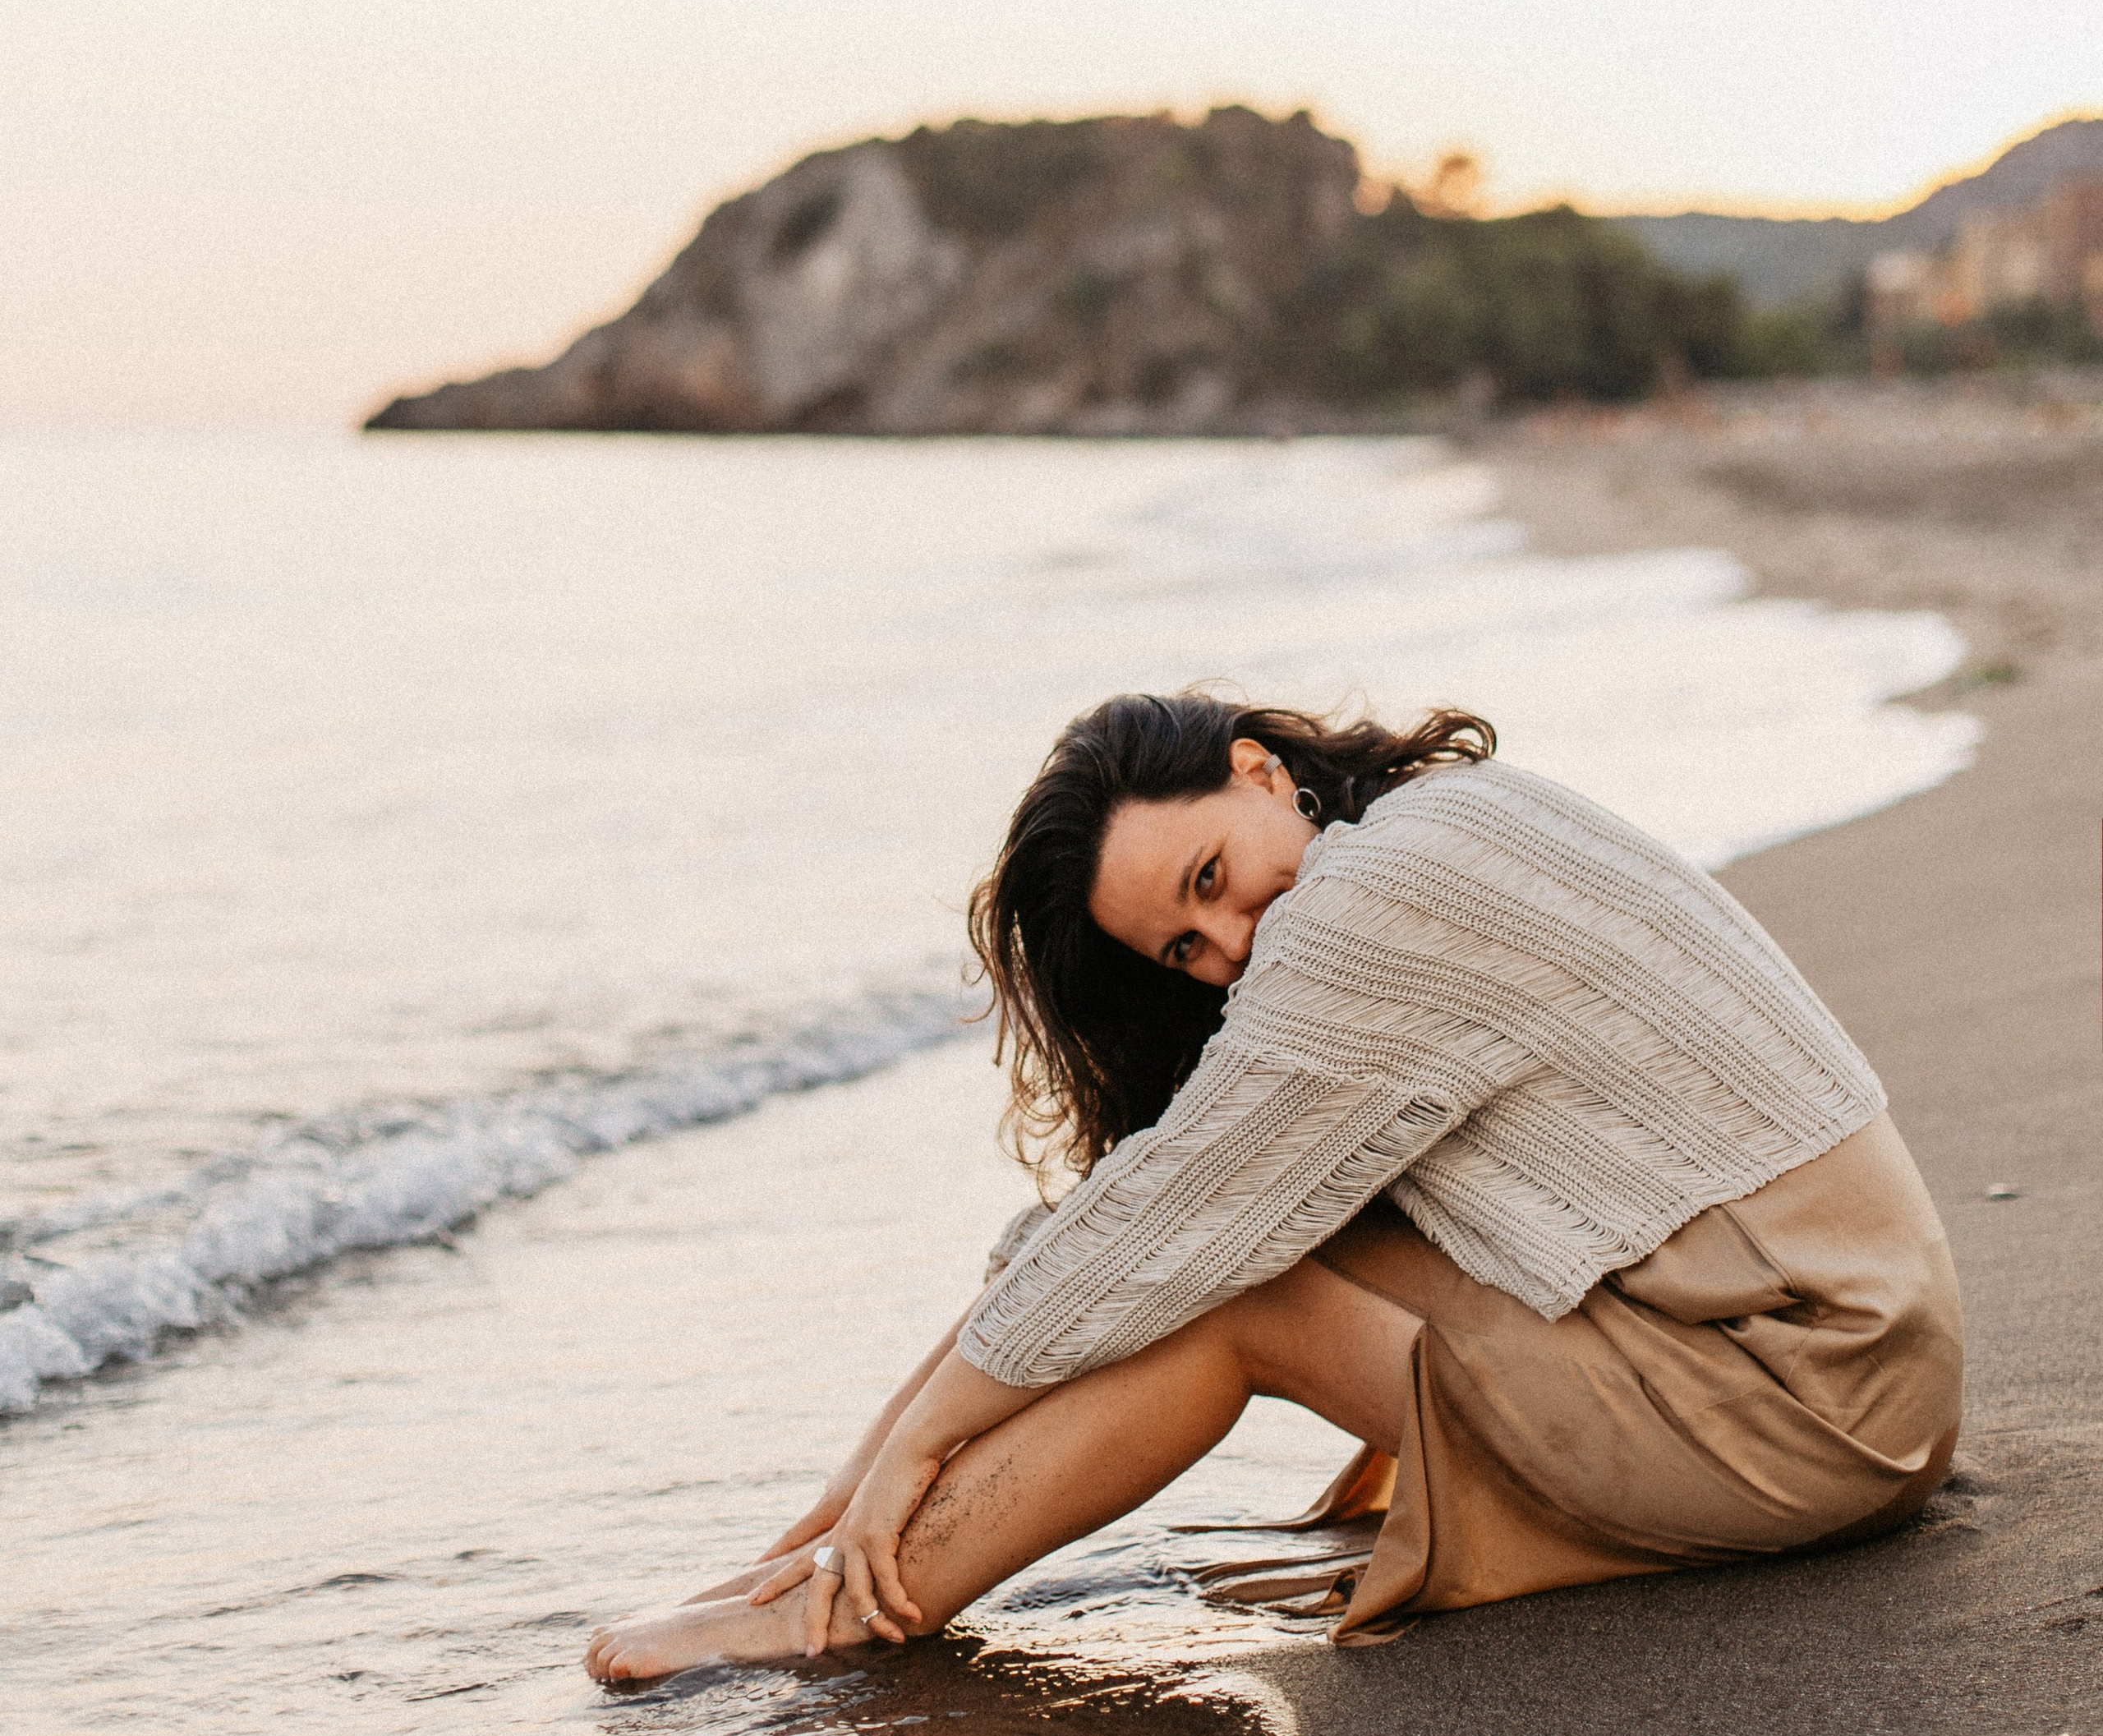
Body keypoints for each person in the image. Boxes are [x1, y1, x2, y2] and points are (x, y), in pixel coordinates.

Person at [585, 695, 1962, 1684]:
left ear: (1259, 772)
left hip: (1809, 1411)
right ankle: (826, 1557)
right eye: (1186, 950)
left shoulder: (1380, 901)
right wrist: (856, 1485)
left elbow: (1164, 1237)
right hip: (1833, 1366)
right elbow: (1129, 1222)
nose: (1231, 944)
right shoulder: (1442, 823)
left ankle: (840, 1608)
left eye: (1212, 878)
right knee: (1183, 1251)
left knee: (1231, 1300)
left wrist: (911, 1455)